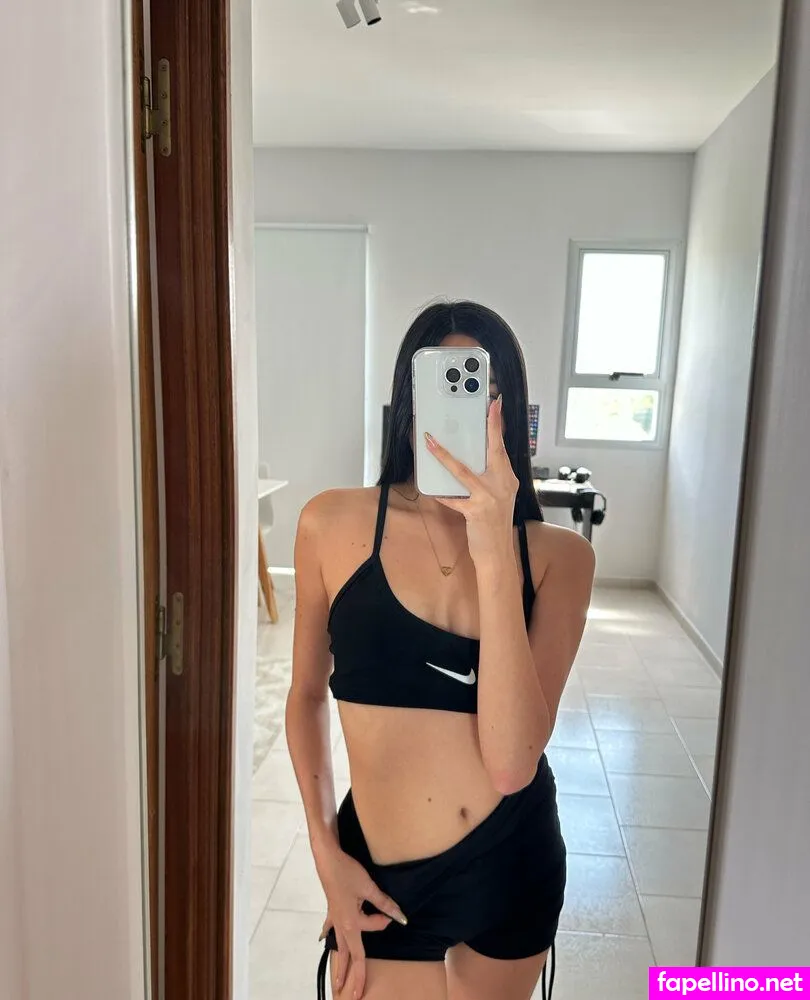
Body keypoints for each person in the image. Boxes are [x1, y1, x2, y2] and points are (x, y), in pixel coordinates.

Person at [286, 301, 595, 1000]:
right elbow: (304, 697)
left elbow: (512, 763)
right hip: (381, 876)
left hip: (510, 865)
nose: (467, 407)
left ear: (511, 410)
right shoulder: (331, 523)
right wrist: (325, 852)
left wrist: (493, 547)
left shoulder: (560, 558)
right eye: (445, 384)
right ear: (409, 400)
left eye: (486, 388)